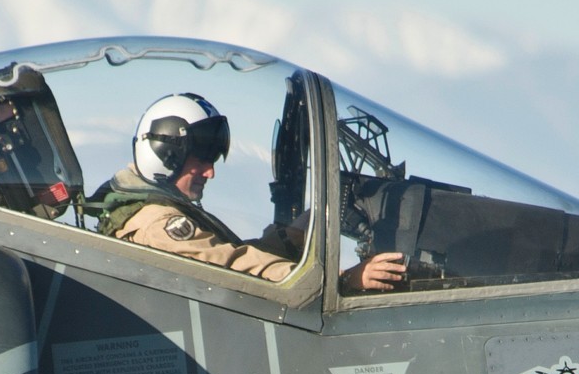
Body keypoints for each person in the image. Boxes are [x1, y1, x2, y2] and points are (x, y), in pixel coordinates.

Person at [94, 92, 408, 293]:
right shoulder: (157, 223)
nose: (210, 172)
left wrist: (289, 237)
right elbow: (232, 268)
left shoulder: (146, 209)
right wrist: (339, 282)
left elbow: (226, 252)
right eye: (200, 161)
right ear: (165, 154)